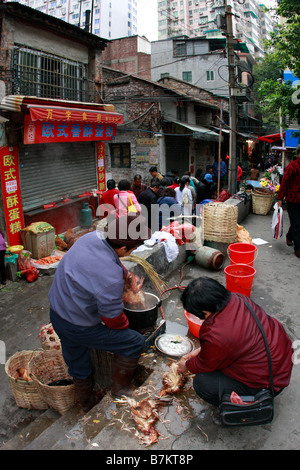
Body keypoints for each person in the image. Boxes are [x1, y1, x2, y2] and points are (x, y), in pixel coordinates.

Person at [48, 215, 150, 412]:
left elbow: (112, 264)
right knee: (134, 342)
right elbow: (113, 320)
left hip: (58, 313)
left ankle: (87, 402)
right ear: (122, 249)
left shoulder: (91, 238)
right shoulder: (110, 278)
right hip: (78, 325)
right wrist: (127, 323)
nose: (133, 252)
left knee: (76, 357)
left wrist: (126, 276)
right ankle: (119, 388)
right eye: (133, 248)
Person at [177, 277, 293, 410]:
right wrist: (201, 351)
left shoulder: (217, 334)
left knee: (203, 383)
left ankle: (248, 405)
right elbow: (232, 343)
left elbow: (205, 363)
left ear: (205, 312)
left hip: (267, 385)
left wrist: (186, 365)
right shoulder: (238, 298)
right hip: (281, 366)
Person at [277, 144, 300, 258]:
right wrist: (280, 198)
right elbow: (284, 183)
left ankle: (290, 236)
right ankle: (298, 248)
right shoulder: (293, 166)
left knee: (297, 223)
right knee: (296, 224)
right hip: (293, 200)